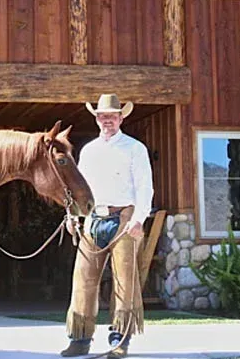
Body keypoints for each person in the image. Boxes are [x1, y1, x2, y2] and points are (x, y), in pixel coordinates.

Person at [61, 94, 154, 359]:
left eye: (112, 116)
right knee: (82, 279)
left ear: (121, 117)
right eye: (103, 116)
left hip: (124, 217)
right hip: (93, 218)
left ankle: (119, 340)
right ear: (97, 118)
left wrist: (139, 219)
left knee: (124, 281)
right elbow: (79, 189)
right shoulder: (89, 150)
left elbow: (144, 187)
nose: (107, 121)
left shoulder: (135, 148)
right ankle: (79, 338)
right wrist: (72, 215)